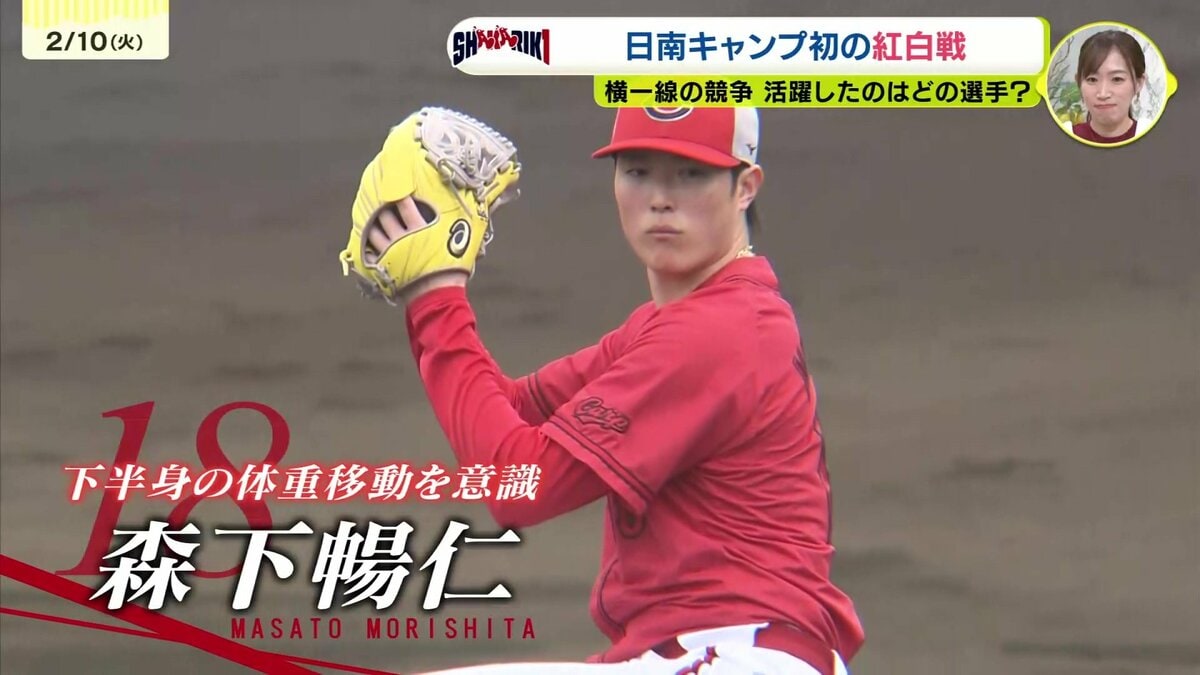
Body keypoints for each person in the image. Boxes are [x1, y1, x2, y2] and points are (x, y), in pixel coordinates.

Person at [382, 107, 864, 674]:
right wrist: (427, 300)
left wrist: (435, 295)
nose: (660, 199)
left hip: (740, 657)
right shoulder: (673, 326)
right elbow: (509, 413)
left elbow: (519, 485)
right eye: (638, 172)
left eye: (691, 174)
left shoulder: (721, 329)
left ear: (745, 187)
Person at [1070, 29, 1147, 144]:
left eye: (1117, 79)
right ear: (1079, 82)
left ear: (1138, 83)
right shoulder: (1062, 137)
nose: (1103, 94)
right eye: (1092, 79)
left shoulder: (1154, 137)